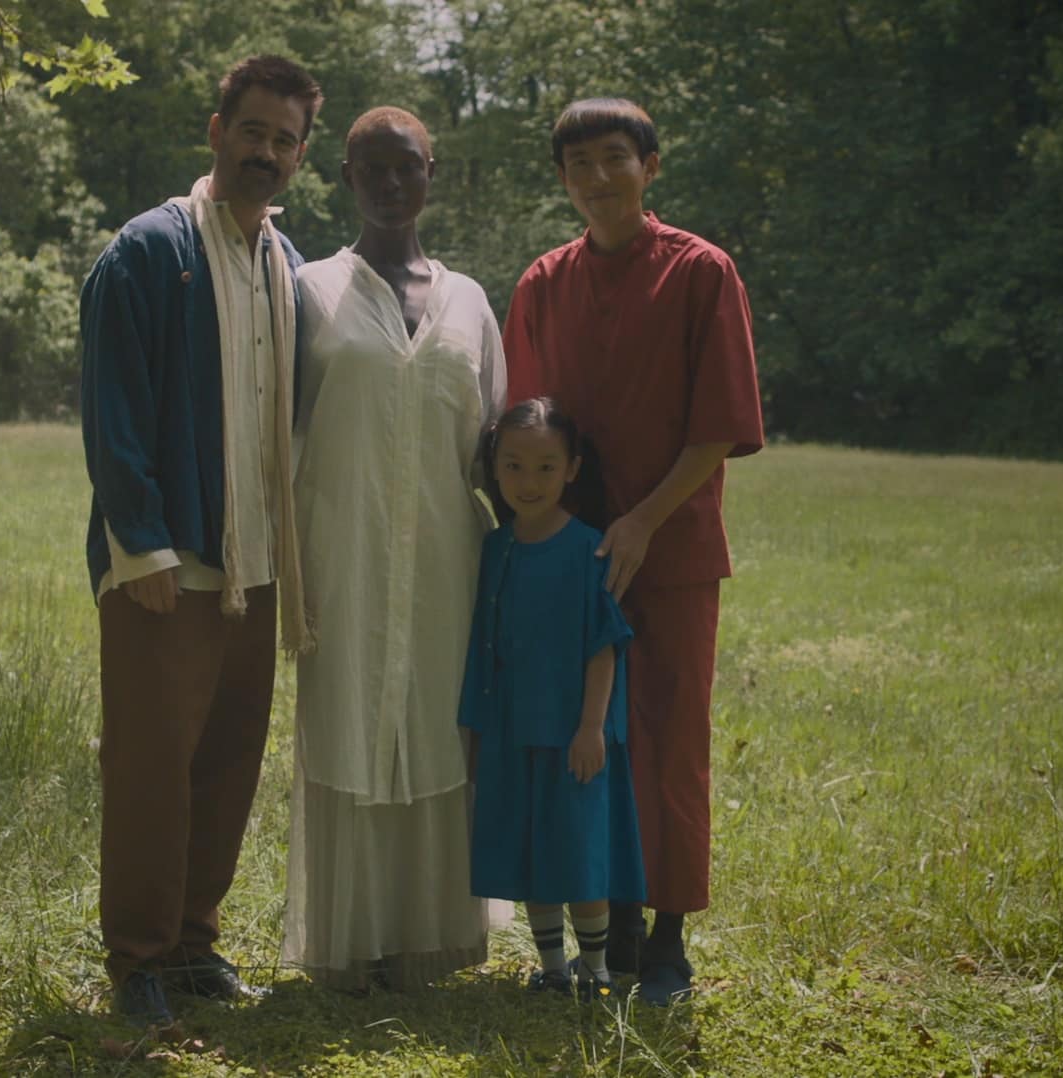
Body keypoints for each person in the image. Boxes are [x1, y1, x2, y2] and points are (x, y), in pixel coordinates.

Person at [501, 98, 765, 1006]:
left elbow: (721, 424)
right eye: (579, 164)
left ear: (651, 167)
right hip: (573, 558)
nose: (598, 178)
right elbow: (524, 427)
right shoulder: (542, 282)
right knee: (591, 739)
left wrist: (646, 520)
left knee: (667, 739)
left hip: (673, 547)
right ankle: (601, 935)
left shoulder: (700, 273)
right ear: (563, 179)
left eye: (616, 158)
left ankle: (668, 944)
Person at [78, 54, 323, 1026]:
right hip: (167, 566)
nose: (266, 152)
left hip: (256, 562)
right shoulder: (147, 251)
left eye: (285, 140)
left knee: (226, 761)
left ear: (299, 154)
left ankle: (190, 945)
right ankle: (136, 957)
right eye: (252, 130)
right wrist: (139, 543)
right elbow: (113, 408)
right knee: (150, 765)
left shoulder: (285, 262)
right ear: (215, 130)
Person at [282, 106, 504, 991]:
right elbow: (281, 431)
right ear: (344, 178)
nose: (388, 181)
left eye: (404, 165)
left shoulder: (471, 300)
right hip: (343, 553)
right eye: (369, 167)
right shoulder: (309, 291)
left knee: (441, 731)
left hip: (450, 560)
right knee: (348, 728)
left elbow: (492, 443)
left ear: (430, 173)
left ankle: (434, 938)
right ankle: (351, 942)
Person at [457, 397, 646, 997]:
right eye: (512, 466)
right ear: (494, 466)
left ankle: (595, 972)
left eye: (545, 467)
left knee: (577, 849)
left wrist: (592, 727)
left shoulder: (588, 550)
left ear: (572, 468)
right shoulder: (494, 547)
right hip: (513, 726)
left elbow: (603, 647)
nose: (527, 481)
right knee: (530, 847)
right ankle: (553, 969)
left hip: (572, 733)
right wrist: (476, 728)